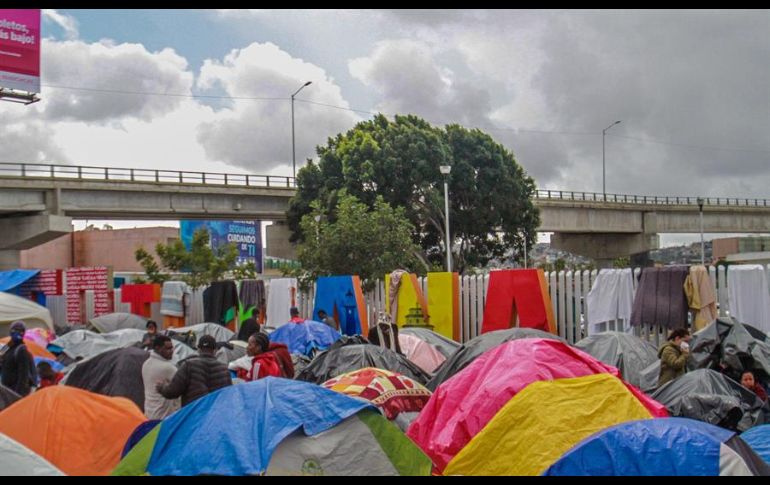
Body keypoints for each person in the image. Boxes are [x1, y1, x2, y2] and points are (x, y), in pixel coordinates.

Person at [156, 335, 232, 407]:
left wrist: (161, 387)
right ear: (215, 350)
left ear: (198, 349)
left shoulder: (188, 365)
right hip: (214, 416)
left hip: (194, 416)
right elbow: (229, 396)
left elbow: (172, 392)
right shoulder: (224, 369)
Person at [142, 335, 180, 419]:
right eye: (167, 349)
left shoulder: (146, 364)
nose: (171, 351)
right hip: (164, 417)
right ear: (157, 348)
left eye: (171, 348)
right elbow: (180, 388)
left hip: (149, 414)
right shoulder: (168, 368)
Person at [229, 332, 293, 381]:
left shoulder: (258, 364)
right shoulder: (271, 359)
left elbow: (255, 385)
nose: (247, 347)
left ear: (258, 348)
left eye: (250, 345)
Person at [0, 321, 36, 396]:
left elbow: (24, 375)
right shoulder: (7, 347)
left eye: (21, 331)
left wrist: (17, 394)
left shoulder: (21, 350)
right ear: (10, 331)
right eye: (15, 330)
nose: (17, 332)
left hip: (15, 393)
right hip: (6, 390)